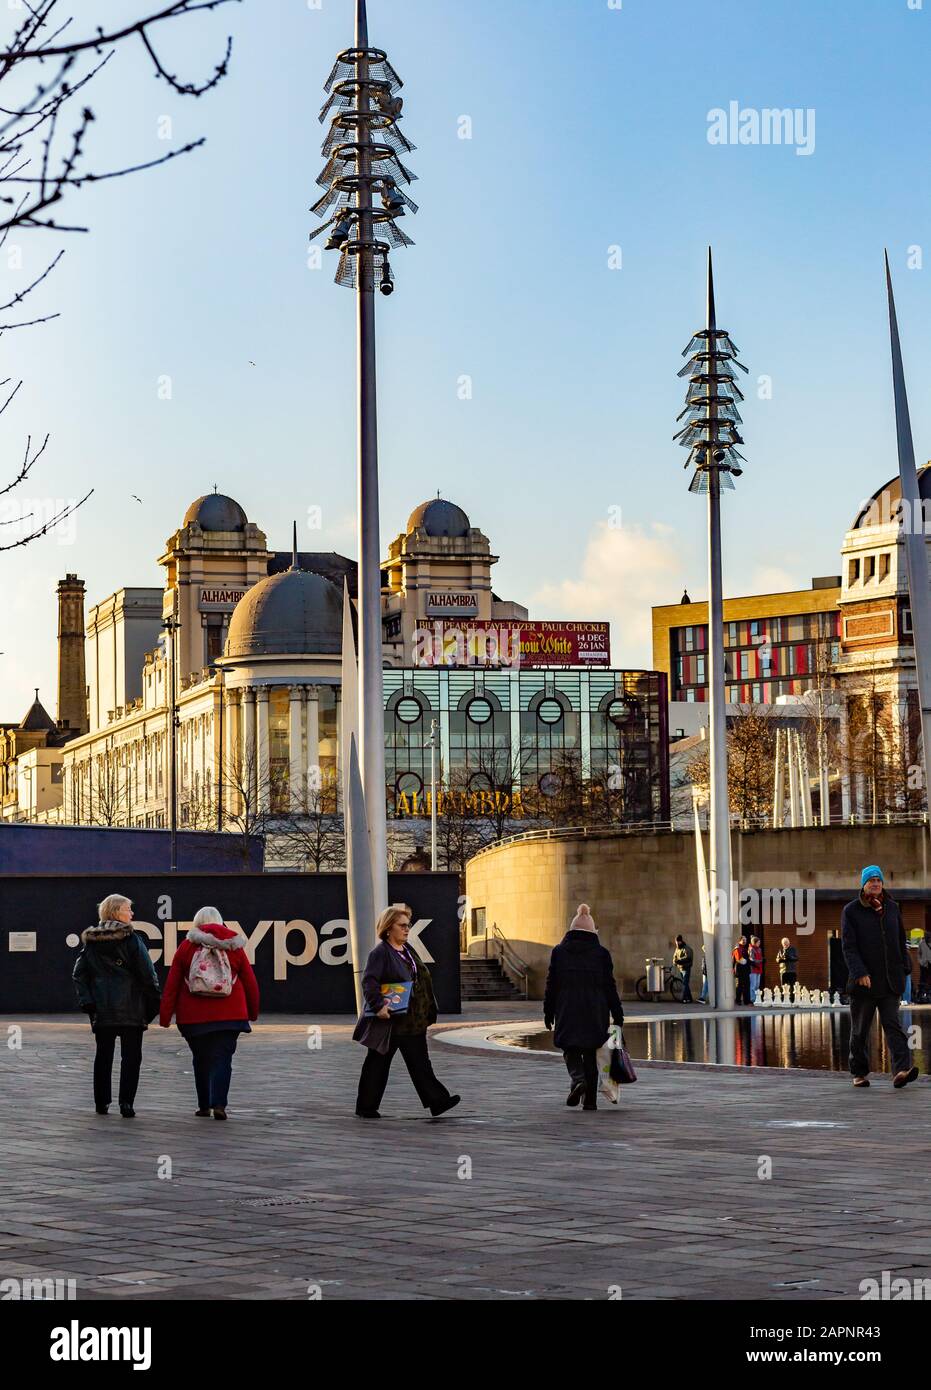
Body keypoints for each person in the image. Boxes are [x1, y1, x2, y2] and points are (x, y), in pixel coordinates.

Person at [353, 904, 460, 1120]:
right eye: (401, 925)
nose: (406, 929)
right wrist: (378, 1006)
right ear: (388, 928)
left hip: (413, 1020)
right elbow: (369, 982)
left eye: (408, 925)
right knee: (377, 1063)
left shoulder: (408, 950)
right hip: (392, 1021)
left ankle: (438, 1101)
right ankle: (366, 1107)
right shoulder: (380, 953)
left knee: (420, 1063)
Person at [159, 906, 259, 1120]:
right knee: (223, 1059)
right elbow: (250, 982)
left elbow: (172, 984)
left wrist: (165, 1016)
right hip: (230, 1016)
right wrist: (252, 1012)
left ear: (197, 923)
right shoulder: (234, 946)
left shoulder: (186, 947)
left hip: (193, 1017)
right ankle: (219, 1104)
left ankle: (204, 1105)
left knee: (201, 1059)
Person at [72, 893, 161, 1118]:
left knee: (103, 1056)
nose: (132, 913)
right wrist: (153, 1003)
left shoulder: (91, 942)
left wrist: (88, 1002)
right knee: (131, 1058)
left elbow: (79, 974)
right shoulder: (132, 940)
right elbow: (148, 974)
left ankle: (101, 1103)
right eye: (128, 909)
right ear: (116, 913)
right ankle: (126, 1103)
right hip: (132, 1008)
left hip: (102, 1009)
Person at [841, 865, 918, 1090]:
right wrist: (859, 972)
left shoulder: (892, 907)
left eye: (878, 880)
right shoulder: (851, 910)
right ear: (863, 884)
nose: (875, 884)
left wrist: (905, 966)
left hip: (890, 980)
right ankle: (859, 1073)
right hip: (864, 983)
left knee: (893, 1026)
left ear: (882, 884)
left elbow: (900, 939)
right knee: (860, 1030)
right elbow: (849, 947)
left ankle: (901, 1071)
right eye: (871, 880)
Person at [543, 904, 625, 1112]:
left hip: (567, 1008)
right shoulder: (601, 954)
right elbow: (609, 986)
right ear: (592, 932)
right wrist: (617, 1013)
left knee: (569, 1047)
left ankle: (578, 1079)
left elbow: (552, 984)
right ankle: (590, 1102)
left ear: (571, 930)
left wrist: (548, 1010)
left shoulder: (559, 952)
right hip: (595, 1010)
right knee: (591, 1052)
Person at [776, 936, 799, 1002]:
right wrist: (781, 959)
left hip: (791, 971)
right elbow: (777, 959)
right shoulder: (780, 950)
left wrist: (790, 957)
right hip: (783, 971)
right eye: (784, 943)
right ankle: (784, 1000)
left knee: (792, 986)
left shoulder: (793, 949)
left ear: (789, 943)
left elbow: (796, 958)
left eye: (786, 943)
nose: (785, 944)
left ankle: (792, 1000)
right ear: (782, 944)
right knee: (783, 986)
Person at [673, 934, 694, 1003]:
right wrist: (675, 962)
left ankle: (684, 998)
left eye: (678, 942)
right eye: (676, 942)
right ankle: (690, 998)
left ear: (681, 941)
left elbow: (688, 957)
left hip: (686, 968)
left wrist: (679, 960)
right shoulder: (677, 949)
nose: (677, 943)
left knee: (685, 983)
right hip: (681, 969)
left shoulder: (687, 948)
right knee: (686, 984)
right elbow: (674, 956)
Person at [732, 935, 751, 1006]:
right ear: (739, 941)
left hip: (745, 970)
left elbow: (747, 960)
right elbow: (739, 960)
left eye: (745, 940)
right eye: (743, 940)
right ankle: (738, 1000)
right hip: (739, 970)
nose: (744, 941)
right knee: (739, 986)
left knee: (746, 985)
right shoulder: (737, 949)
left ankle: (747, 1001)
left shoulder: (745, 949)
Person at [748, 936, 764, 1002]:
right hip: (753, 969)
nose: (759, 943)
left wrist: (762, 959)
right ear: (754, 943)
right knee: (753, 985)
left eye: (759, 942)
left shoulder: (759, 949)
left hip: (759, 968)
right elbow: (752, 959)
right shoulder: (751, 949)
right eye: (758, 942)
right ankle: (753, 999)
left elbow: (760, 957)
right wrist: (760, 961)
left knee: (757, 985)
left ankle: (757, 998)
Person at [918, 928, 931, 1004]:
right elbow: (918, 953)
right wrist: (920, 961)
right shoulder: (921, 942)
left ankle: (928, 994)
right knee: (923, 979)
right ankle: (922, 994)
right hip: (924, 964)